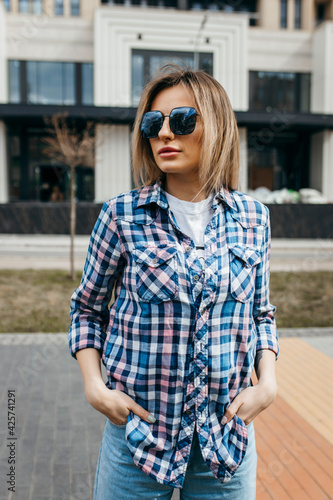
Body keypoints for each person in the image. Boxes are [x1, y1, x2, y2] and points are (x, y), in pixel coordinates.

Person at [68, 65, 279, 500]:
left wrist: (269, 383)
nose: (164, 133)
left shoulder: (254, 219)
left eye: (182, 120)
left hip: (225, 441)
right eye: (153, 123)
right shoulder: (121, 217)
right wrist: (95, 387)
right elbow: (86, 308)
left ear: (216, 126)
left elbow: (261, 313)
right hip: (139, 440)